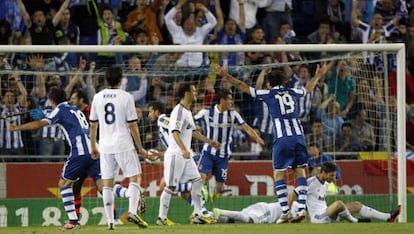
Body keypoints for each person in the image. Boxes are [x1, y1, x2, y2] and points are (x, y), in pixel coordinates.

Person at [212, 63, 328, 223]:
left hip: (283, 138)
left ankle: (286, 212)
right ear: (284, 81)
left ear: (268, 83)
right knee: (300, 172)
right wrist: (317, 76)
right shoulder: (292, 91)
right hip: (299, 137)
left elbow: (243, 86)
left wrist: (225, 76)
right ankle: (301, 209)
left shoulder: (268, 94)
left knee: (278, 175)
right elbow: (308, 89)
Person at [7, 88, 101, 230]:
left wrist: (16, 128)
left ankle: (73, 222)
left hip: (80, 151)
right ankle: (131, 195)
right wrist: (45, 114)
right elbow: (64, 119)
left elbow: (40, 124)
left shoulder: (60, 109)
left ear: (52, 101)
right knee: (103, 186)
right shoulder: (74, 108)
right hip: (95, 149)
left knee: (63, 184)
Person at [89, 66, 149, 230]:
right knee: (135, 178)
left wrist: (93, 146)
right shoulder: (126, 97)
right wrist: (141, 148)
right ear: (121, 79)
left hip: (105, 146)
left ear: (106, 79)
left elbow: (93, 125)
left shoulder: (97, 97)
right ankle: (131, 211)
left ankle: (110, 222)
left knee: (107, 183)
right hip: (123, 143)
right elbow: (132, 125)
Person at [156, 83, 220, 225]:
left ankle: (198, 214)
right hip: (176, 154)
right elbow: (174, 131)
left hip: (185, 155)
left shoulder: (187, 111)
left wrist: (209, 141)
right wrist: (184, 149)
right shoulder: (178, 111)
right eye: (193, 90)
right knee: (171, 187)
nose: (196, 92)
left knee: (197, 180)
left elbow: (193, 132)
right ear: (186, 93)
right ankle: (161, 218)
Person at [194, 89, 264, 202]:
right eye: (229, 99)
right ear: (222, 100)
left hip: (223, 155)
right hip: (208, 153)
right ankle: (202, 198)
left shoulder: (233, 114)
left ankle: (215, 194)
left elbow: (246, 128)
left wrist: (257, 137)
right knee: (200, 177)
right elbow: (191, 121)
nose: (231, 102)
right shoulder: (206, 112)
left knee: (219, 186)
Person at [289, 161, 401, 223]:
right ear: (323, 173)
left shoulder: (326, 182)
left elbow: (333, 188)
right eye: (331, 175)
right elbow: (292, 194)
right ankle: (355, 221)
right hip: (318, 218)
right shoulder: (310, 183)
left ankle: (388, 217)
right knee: (338, 204)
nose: (333, 178)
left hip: (328, 214)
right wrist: (288, 212)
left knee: (356, 205)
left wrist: (338, 189)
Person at [213, 201, 301, 224]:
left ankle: (206, 215)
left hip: (263, 208)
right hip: (266, 212)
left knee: (232, 221)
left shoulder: (297, 205)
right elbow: (291, 219)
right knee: (249, 220)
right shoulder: (296, 205)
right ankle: (221, 211)